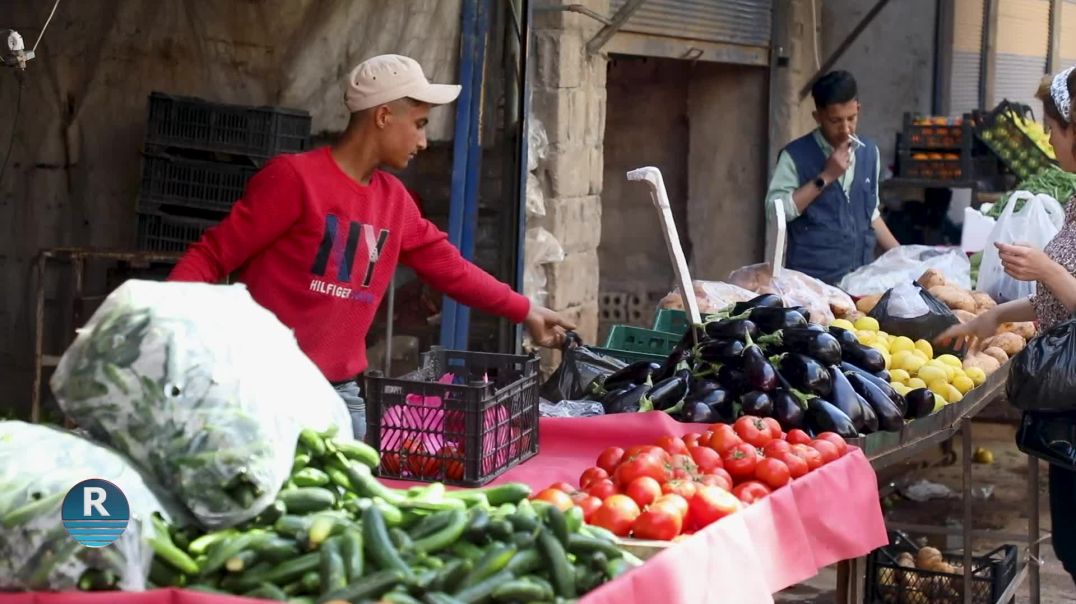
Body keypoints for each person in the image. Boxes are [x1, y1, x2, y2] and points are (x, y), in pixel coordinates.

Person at [168, 54, 575, 439]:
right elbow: (212, 255)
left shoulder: (394, 200)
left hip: (341, 396)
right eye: (419, 123)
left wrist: (526, 310)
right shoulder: (294, 179)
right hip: (262, 391)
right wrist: (159, 322)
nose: (424, 141)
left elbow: (452, 269)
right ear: (383, 116)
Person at [936, 66, 1076, 588]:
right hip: (1068, 405)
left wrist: (1046, 269)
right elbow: (1062, 300)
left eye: (1054, 126)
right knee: (1071, 544)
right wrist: (995, 315)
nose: (1047, 136)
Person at [765, 70, 900, 285]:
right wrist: (826, 176)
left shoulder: (869, 152)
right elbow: (775, 211)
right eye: (835, 121)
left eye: (851, 118)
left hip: (861, 280)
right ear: (818, 117)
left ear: (858, 109)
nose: (845, 129)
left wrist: (901, 256)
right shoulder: (794, 155)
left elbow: (870, 214)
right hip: (811, 283)